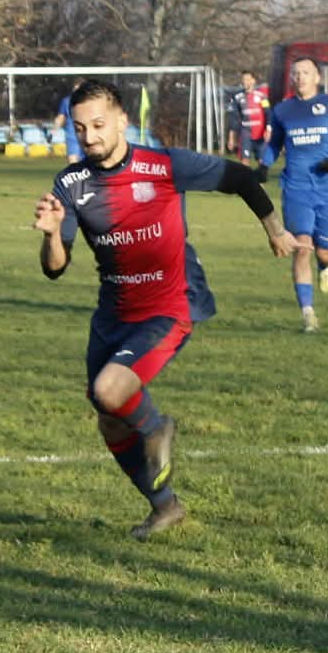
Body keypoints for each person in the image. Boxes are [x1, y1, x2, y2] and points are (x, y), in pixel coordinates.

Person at [33, 79, 295, 538]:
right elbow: (55, 269)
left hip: (170, 306)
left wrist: (274, 230)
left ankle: (157, 426)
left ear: (122, 121)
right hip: (113, 313)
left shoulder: (165, 165)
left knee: (112, 391)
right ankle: (165, 507)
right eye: (80, 128)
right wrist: (52, 234)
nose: (89, 136)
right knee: (109, 419)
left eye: (98, 125)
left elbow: (239, 178)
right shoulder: (71, 184)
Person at [257, 56, 328, 332]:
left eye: (306, 72)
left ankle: (324, 267)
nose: (300, 77)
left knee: (324, 251)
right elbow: (273, 144)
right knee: (301, 247)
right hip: (296, 188)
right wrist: (263, 165)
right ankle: (308, 315)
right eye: (296, 73)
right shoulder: (283, 111)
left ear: (317, 77)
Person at [51, 77, 86, 163]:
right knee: (73, 162)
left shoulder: (89, 102)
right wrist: (53, 131)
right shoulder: (66, 101)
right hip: (72, 136)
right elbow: (61, 117)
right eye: (75, 90)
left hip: (87, 135)